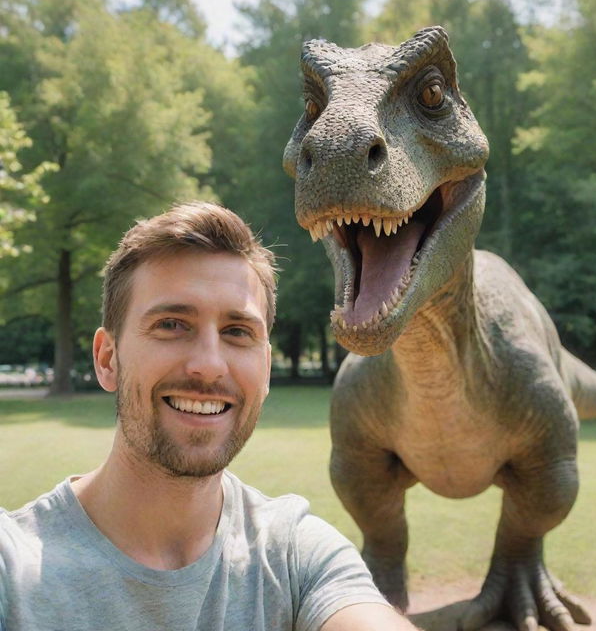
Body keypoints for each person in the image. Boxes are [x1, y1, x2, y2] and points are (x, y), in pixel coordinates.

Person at [0, 202, 419, 631]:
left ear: (266, 370)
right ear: (108, 359)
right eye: (172, 324)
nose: (209, 365)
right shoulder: (12, 569)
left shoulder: (295, 557)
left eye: (237, 332)